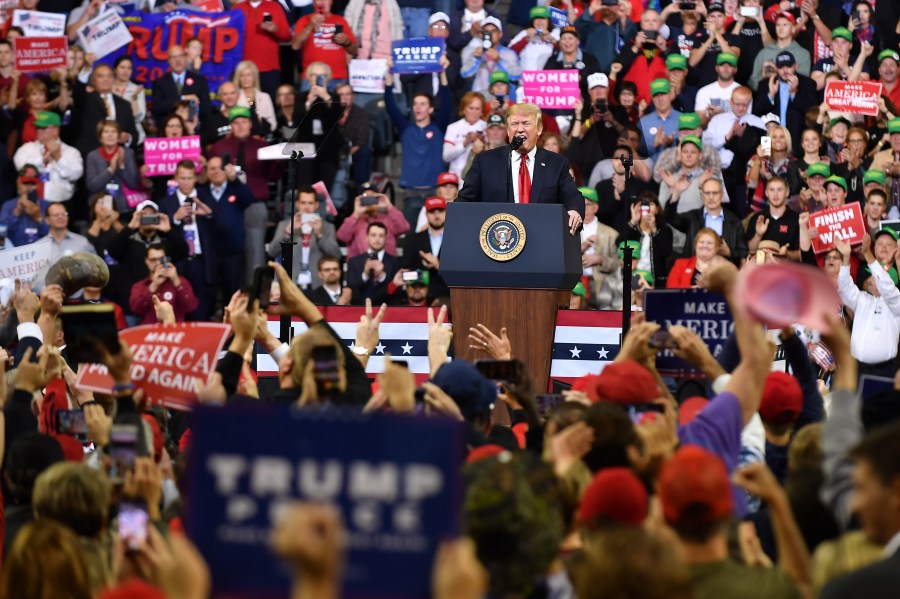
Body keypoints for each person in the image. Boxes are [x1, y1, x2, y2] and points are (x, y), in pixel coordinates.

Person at [456, 103, 585, 235]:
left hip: (542, 239)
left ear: (539, 129)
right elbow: (465, 200)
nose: (520, 129)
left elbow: (572, 196)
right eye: (514, 124)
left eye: (526, 123)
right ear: (508, 130)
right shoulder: (485, 161)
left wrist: (574, 210)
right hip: (497, 243)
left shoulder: (556, 163)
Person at [211, 106, 280, 284]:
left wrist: (279, 159)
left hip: (254, 203)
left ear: (250, 124)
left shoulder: (262, 147)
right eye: (236, 122)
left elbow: (273, 175)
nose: (240, 126)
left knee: (256, 251)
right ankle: (228, 298)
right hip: (226, 205)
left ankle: (254, 295)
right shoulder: (220, 147)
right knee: (226, 252)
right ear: (231, 125)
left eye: (244, 122)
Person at [384, 56, 452, 195]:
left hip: (435, 190)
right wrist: (389, 73)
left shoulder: (438, 127)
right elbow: (390, 103)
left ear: (431, 109)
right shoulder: (406, 129)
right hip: (410, 191)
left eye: (422, 104)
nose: (418, 107)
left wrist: (443, 72)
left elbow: (446, 101)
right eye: (415, 104)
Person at [834, 235, 900, 379]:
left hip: (884, 370)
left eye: (875, 277)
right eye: (871, 276)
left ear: (891, 280)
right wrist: (845, 259)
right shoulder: (863, 298)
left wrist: (868, 255)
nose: (870, 280)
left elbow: (888, 289)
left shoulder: (896, 303)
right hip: (856, 368)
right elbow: (844, 287)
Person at [157, 159, 215, 320]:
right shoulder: (165, 203)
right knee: (178, 308)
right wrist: (175, 218)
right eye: (182, 178)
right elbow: (159, 234)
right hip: (178, 261)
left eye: (189, 178)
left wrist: (209, 215)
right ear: (175, 178)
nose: (186, 182)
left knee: (202, 310)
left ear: (196, 178)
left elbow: (220, 227)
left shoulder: (206, 198)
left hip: (202, 261)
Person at [267, 185, 341, 292]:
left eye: (310, 203)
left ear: (316, 205)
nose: (306, 207)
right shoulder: (285, 225)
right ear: (297, 204)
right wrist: (288, 232)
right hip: (291, 284)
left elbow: (336, 255)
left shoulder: (327, 227)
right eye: (303, 203)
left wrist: (320, 235)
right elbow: (272, 251)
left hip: (317, 285)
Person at [666, 177, 748, 265]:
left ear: (722, 195)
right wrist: (676, 192)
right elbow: (670, 217)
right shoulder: (693, 217)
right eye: (707, 193)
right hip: (694, 269)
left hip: (722, 271)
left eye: (715, 193)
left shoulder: (734, 221)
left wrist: (729, 252)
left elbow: (743, 252)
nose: (711, 197)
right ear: (702, 195)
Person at [13, 111, 83, 203]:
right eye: (37, 127)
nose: (38, 131)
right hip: (30, 202)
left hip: (60, 205)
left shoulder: (71, 152)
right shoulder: (26, 148)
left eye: (43, 128)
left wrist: (59, 158)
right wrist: (42, 160)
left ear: (55, 130)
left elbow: (75, 175)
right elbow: (21, 168)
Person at [753, 51, 818, 150]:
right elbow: (756, 112)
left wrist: (793, 94)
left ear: (795, 66)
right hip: (769, 143)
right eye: (781, 67)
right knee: (765, 162)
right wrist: (770, 95)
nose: (785, 70)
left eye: (788, 66)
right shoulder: (765, 84)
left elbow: (813, 114)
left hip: (797, 142)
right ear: (776, 68)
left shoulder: (808, 84)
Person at [72, 63, 138, 158]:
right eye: (101, 76)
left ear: (113, 79)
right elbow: (77, 92)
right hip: (91, 155)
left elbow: (133, 133)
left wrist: (128, 138)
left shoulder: (124, 105)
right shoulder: (85, 100)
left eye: (109, 76)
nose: (105, 79)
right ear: (94, 80)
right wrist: (86, 68)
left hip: (118, 156)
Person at [291, 0, 359, 89]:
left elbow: (355, 51)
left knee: (336, 103)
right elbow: (295, 46)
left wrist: (347, 42)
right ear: (313, 3)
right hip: (312, 77)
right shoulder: (304, 20)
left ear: (331, 2)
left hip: (338, 76)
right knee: (312, 103)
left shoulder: (340, 20)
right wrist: (309, 26)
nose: (322, 2)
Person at [84, 120, 147, 214]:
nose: (110, 135)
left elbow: (134, 184)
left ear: (118, 136)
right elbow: (92, 186)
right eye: (106, 132)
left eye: (113, 132)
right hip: (100, 208)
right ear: (100, 137)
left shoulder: (128, 153)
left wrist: (122, 166)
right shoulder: (92, 156)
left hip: (124, 206)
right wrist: (111, 169)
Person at [232, 0, 291, 99]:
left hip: (269, 68)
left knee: (271, 103)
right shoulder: (237, 8)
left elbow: (287, 36)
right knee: (247, 102)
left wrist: (275, 29)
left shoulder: (274, 6)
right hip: (245, 70)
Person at [130, 244, 199, 325]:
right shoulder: (139, 286)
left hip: (176, 332)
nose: (158, 263)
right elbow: (136, 310)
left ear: (167, 260)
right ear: (147, 261)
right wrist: (154, 285)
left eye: (161, 259)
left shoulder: (180, 281)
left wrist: (176, 280)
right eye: (153, 260)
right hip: (149, 333)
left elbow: (190, 307)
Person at [578, 186, 622, 308]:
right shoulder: (567, 230)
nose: (583, 208)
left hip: (601, 286)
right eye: (579, 203)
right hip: (576, 285)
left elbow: (618, 264)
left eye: (587, 204)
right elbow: (561, 259)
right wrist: (582, 248)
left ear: (596, 207)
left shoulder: (611, 234)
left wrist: (601, 259)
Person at [336, 187, 409, 258]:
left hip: (386, 265)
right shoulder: (354, 220)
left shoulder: (388, 219)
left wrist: (389, 207)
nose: (369, 201)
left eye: (372, 197)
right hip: (359, 266)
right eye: (366, 198)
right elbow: (342, 237)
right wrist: (356, 214)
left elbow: (404, 228)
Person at [400, 195, 449, 300]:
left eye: (440, 211)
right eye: (432, 211)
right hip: (420, 299)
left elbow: (459, 275)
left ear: (446, 213)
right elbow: (406, 273)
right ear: (426, 214)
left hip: (448, 297)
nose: (436, 215)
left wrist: (438, 265)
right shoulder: (412, 240)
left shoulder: (455, 241)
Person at [150, 44, 211, 127]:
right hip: (168, 131)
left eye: (180, 56)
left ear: (185, 58)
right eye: (174, 57)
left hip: (194, 129)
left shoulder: (199, 80)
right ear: (168, 60)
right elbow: (158, 107)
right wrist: (183, 98)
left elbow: (206, 109)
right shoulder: (160, 83)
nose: (178, 60)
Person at [750, 12, 813, 91]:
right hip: (767, 99)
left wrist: (777, 72)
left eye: (785, 25)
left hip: (792, 100)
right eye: (778, 25)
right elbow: (753, 82)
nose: (781, 28)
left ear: (793, 29)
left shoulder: (803, 54)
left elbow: (804, 83)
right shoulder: (764, 53)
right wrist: (764, 79)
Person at [460, 16, 522, 95]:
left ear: (500, 34)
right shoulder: (472, 51)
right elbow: (465, 74)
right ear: (481, 35)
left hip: (501, 99)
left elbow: (516, 75)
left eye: (493, 31)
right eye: (486, 32)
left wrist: (499, 60)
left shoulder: (509, 54)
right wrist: (476, 58)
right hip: (480, 99)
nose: (489, 35)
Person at [746, 176, 801, 261]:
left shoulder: (797, 219)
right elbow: (750, 251)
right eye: (771, 190)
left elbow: (802, 255)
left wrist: (787, 254)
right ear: (766, 193)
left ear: (787, 192)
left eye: (779, 190)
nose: (775, 194)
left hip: (787, 270)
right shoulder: (757, 218)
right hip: (761, 269)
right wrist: (758, 235)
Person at [345, 222, 401, 305]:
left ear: (386, 238)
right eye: (373, 235)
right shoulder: (354, 261)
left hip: (388, 310)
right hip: (360, 309)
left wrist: (382, 275)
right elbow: (351, 288)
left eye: (381, 235)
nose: (377, 239)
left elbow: (397, 291)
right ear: (366, 237)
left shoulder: (395, 262)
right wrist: (365, 274)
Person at [2, 165, 50, 247]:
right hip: (14, 252)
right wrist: (16, 212)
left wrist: (38, 218)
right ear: (18, 184)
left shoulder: (47, 205)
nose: (29, 187)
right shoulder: (8, 205)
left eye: (33, 183)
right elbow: (2, 235)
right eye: (25, 183)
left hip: (42, 253)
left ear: (38, 185)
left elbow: (54, 235)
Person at [443, 91, 486, 178]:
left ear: (482, 111)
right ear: (464, 109)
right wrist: (465, 143)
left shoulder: (487, 128)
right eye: (471, 108)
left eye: (477, 109)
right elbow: (446, 156)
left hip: (480, 177)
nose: (474, 112)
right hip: (456, 178)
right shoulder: (453, 127)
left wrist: (483, 142)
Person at [638, 79, 681, 162]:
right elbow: (637, 153)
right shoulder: (643, 123)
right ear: (652, 98)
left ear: (671, 94)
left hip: (678, 170)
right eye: (656, 95)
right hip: (652, 171)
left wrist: (672, 144)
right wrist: (654, 145)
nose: (660, 98)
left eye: (663, 94)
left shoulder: (683, 119)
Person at [694, 52, 740, 126]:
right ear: (716, 68)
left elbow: (745, 122)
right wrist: (709, 117)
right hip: (709, 136)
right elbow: (698, 124)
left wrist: (721, 115)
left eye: (730, 65)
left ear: (735, 69)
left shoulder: (742, 92)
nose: (726, 68)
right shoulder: (703, 92)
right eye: (722, 64)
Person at [232, 60, 277, 134]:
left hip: (263, 137)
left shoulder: (265, 97)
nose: (245, 78)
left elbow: (273, 123)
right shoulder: (234, 96)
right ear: (238, 79)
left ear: (254, 77)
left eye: (248, 75)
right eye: (242, 75)